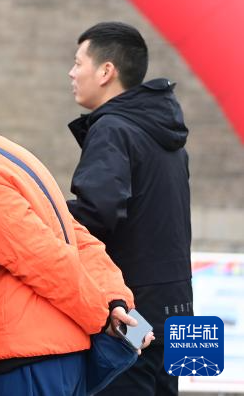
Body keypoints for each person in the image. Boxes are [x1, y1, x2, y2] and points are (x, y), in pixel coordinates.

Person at [0, 67, 146, 395]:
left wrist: (101, 314)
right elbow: (80, 239)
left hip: (27, 357)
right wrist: (115, 301)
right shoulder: (10, 153)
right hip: (62, 353)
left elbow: (37, 254)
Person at [68, 22, 193, 395]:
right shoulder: (166, 133)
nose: (72, 73)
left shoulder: (113, 128)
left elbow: (95, 215)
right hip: (179, 311)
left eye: (78, 63)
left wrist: (44, 214)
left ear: (106, 71)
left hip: (134, 315)